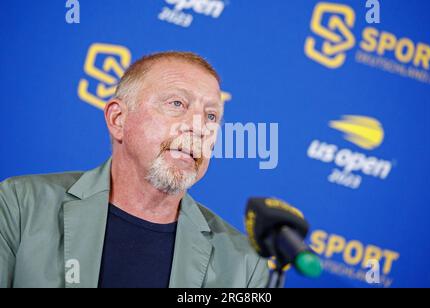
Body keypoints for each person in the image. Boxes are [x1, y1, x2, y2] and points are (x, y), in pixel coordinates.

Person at [0, 51, 269, 288]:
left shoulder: (244, 265)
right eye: (177, 104)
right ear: (118, 119)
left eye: (212, 116)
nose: (199, 127)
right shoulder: (20, 205)